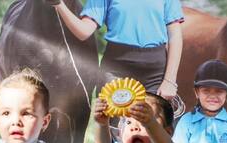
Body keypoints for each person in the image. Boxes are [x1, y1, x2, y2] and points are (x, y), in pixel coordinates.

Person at [49, 0, 184, 98]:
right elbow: (83, 32)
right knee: (115, 129)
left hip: (155, 74)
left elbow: (175, 36)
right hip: (116, 70)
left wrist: (169, 81)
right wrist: (59, 4)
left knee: (152, 130)